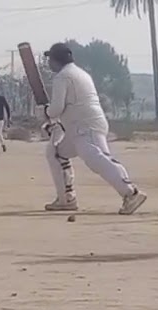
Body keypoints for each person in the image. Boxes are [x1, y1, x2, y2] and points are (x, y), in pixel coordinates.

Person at [41, 42, 146, 214]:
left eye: (49, 59)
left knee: (99, 160)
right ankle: (66, 198)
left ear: (55, 60)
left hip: (85, 126)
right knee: (56, 153)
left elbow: (56, 109)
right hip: (81, 127)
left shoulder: (63, 77)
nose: (48, 63)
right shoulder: (80, 73)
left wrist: (45, 111)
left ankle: (131, 193)